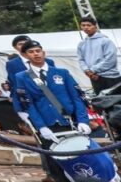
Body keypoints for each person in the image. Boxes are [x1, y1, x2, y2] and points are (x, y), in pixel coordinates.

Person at [12, 40, 91, 182]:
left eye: (38, 50)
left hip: (69, 121)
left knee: (81, 159)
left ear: (43, 52)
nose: (35, 54)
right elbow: (28, 104)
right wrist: (40, 126)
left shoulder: (62, 73)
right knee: (56, 163)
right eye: (31, 52)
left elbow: (77, 97)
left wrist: (83, 120)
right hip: (48, 124)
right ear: (25, 55)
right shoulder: (22, 77)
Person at [77, 16, 121, 94]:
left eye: (88, 25)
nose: (86, 27)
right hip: (94, 78)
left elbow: (111, 59)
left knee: (116, 103)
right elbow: (81, 60)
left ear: (95, 26)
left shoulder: (105, 41)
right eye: (83, 25)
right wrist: (87, 71)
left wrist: (93, 70)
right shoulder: (81, 44)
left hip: (110, 77)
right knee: (100, 103)